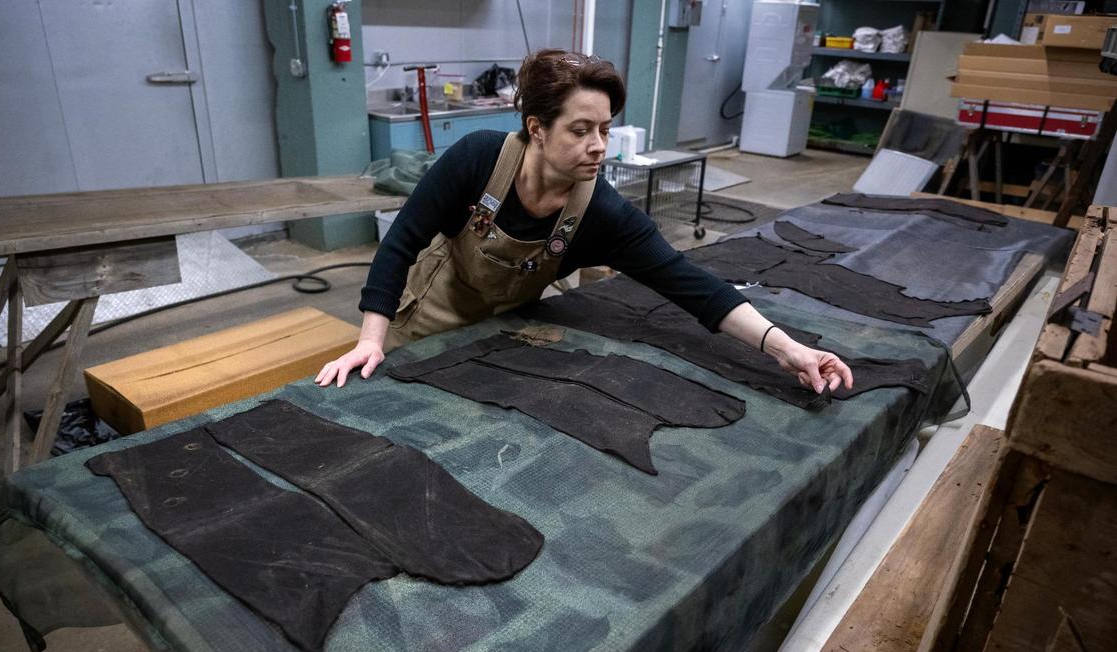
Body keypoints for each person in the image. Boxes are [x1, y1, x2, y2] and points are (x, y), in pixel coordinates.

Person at [317, 49, 852, 395]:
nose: (598, 146)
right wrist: (371, 339)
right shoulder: (478, 159)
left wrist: (790, 348)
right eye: (580, 129)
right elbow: (400, 243)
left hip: (507, 324)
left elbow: (694, 288)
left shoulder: (600, 212)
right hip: (431, 312)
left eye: (604, 128)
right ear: (538, 128)